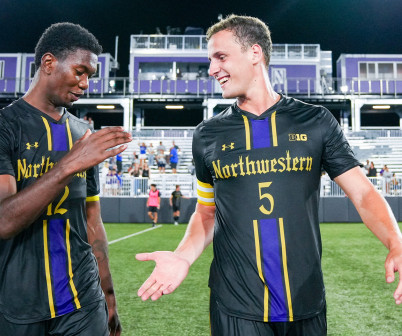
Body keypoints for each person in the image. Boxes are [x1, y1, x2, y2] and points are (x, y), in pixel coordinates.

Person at [136, 15, 402, 336]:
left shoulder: (316, 121)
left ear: (255, 53)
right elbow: (207, 212)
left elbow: (362, 194)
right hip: (234, 305)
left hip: (305, 300)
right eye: (210, 60)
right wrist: (182, 257)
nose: (211, 69)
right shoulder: (207, 135)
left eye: (220, 57)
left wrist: (396, 242)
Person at [0, 22, 132, 336]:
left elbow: (91, 219)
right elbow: (2, 221)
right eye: (80, 71)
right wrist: (68, 165)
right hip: (16, 302)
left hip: (82, 299)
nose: (86, 84)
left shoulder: (82, 135)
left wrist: (108, 296)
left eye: (90, 76)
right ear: (48, 63)